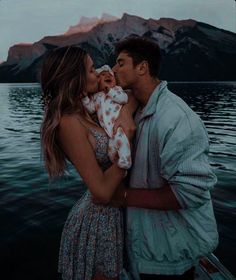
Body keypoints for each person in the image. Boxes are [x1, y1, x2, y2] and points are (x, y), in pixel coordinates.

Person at [109, 36, 219, 280]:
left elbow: (190, 192)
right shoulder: (137, 107)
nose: (113, 69)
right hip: (146, 247)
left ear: (142, 67)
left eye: (120, 63)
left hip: (171, 254)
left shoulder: (177, 119)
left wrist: (122, 196)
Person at [40, 46, 136, 280]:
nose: (98, 72)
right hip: (97, 221)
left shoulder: (88, 109)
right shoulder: (69, 123)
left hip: (113, 214)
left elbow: (131, 97)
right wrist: (128, 141)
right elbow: (102, 192)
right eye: (92, 69)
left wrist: (124, 115)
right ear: (76, 78)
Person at [82, 64, 132, 169]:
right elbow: (91, 109)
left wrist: (110, 91)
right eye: (103, 75)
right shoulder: (96, 96)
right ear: (97, 81)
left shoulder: (117, 90)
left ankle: (126, 160)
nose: (108, 76)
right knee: (111, 150)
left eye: (111, 75)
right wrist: (85, 98)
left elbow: (124, 99)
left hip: (118, 126)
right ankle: (119, 167)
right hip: (108, 132)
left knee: (121, 139)